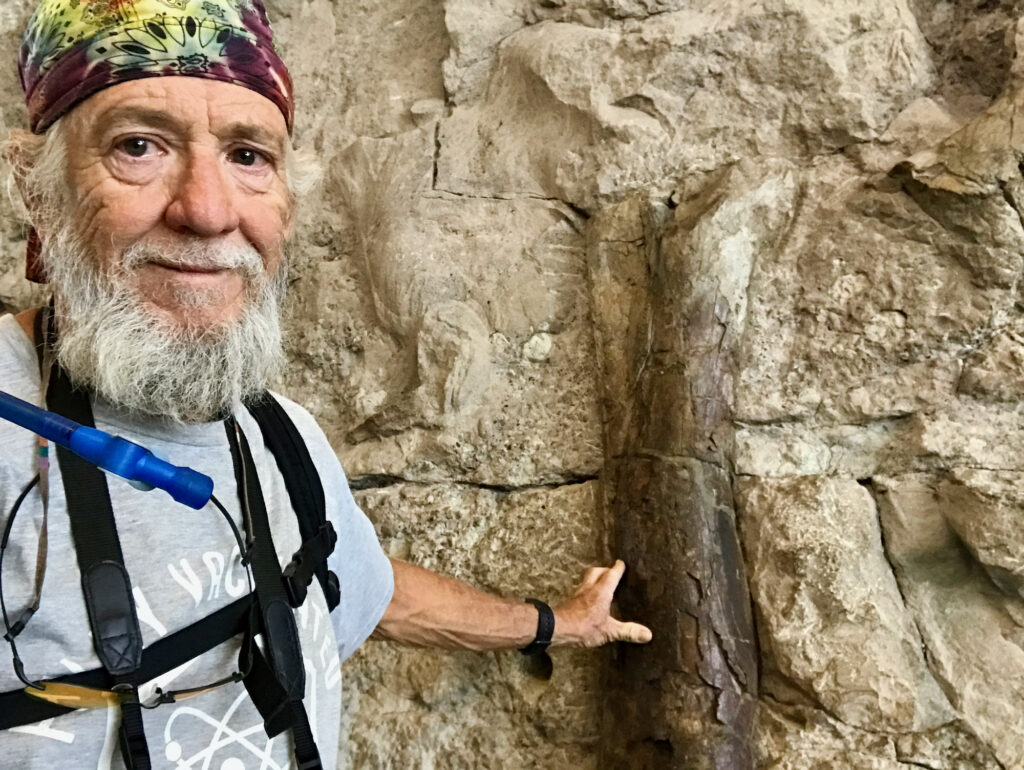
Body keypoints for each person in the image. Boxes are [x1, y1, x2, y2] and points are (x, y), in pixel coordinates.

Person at [0, 0, 652, 767]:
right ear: (38, 194)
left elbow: (361, 588)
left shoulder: (280, 434)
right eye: (138, 146)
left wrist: (554, 625)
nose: (208, 213)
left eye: (248, 156)